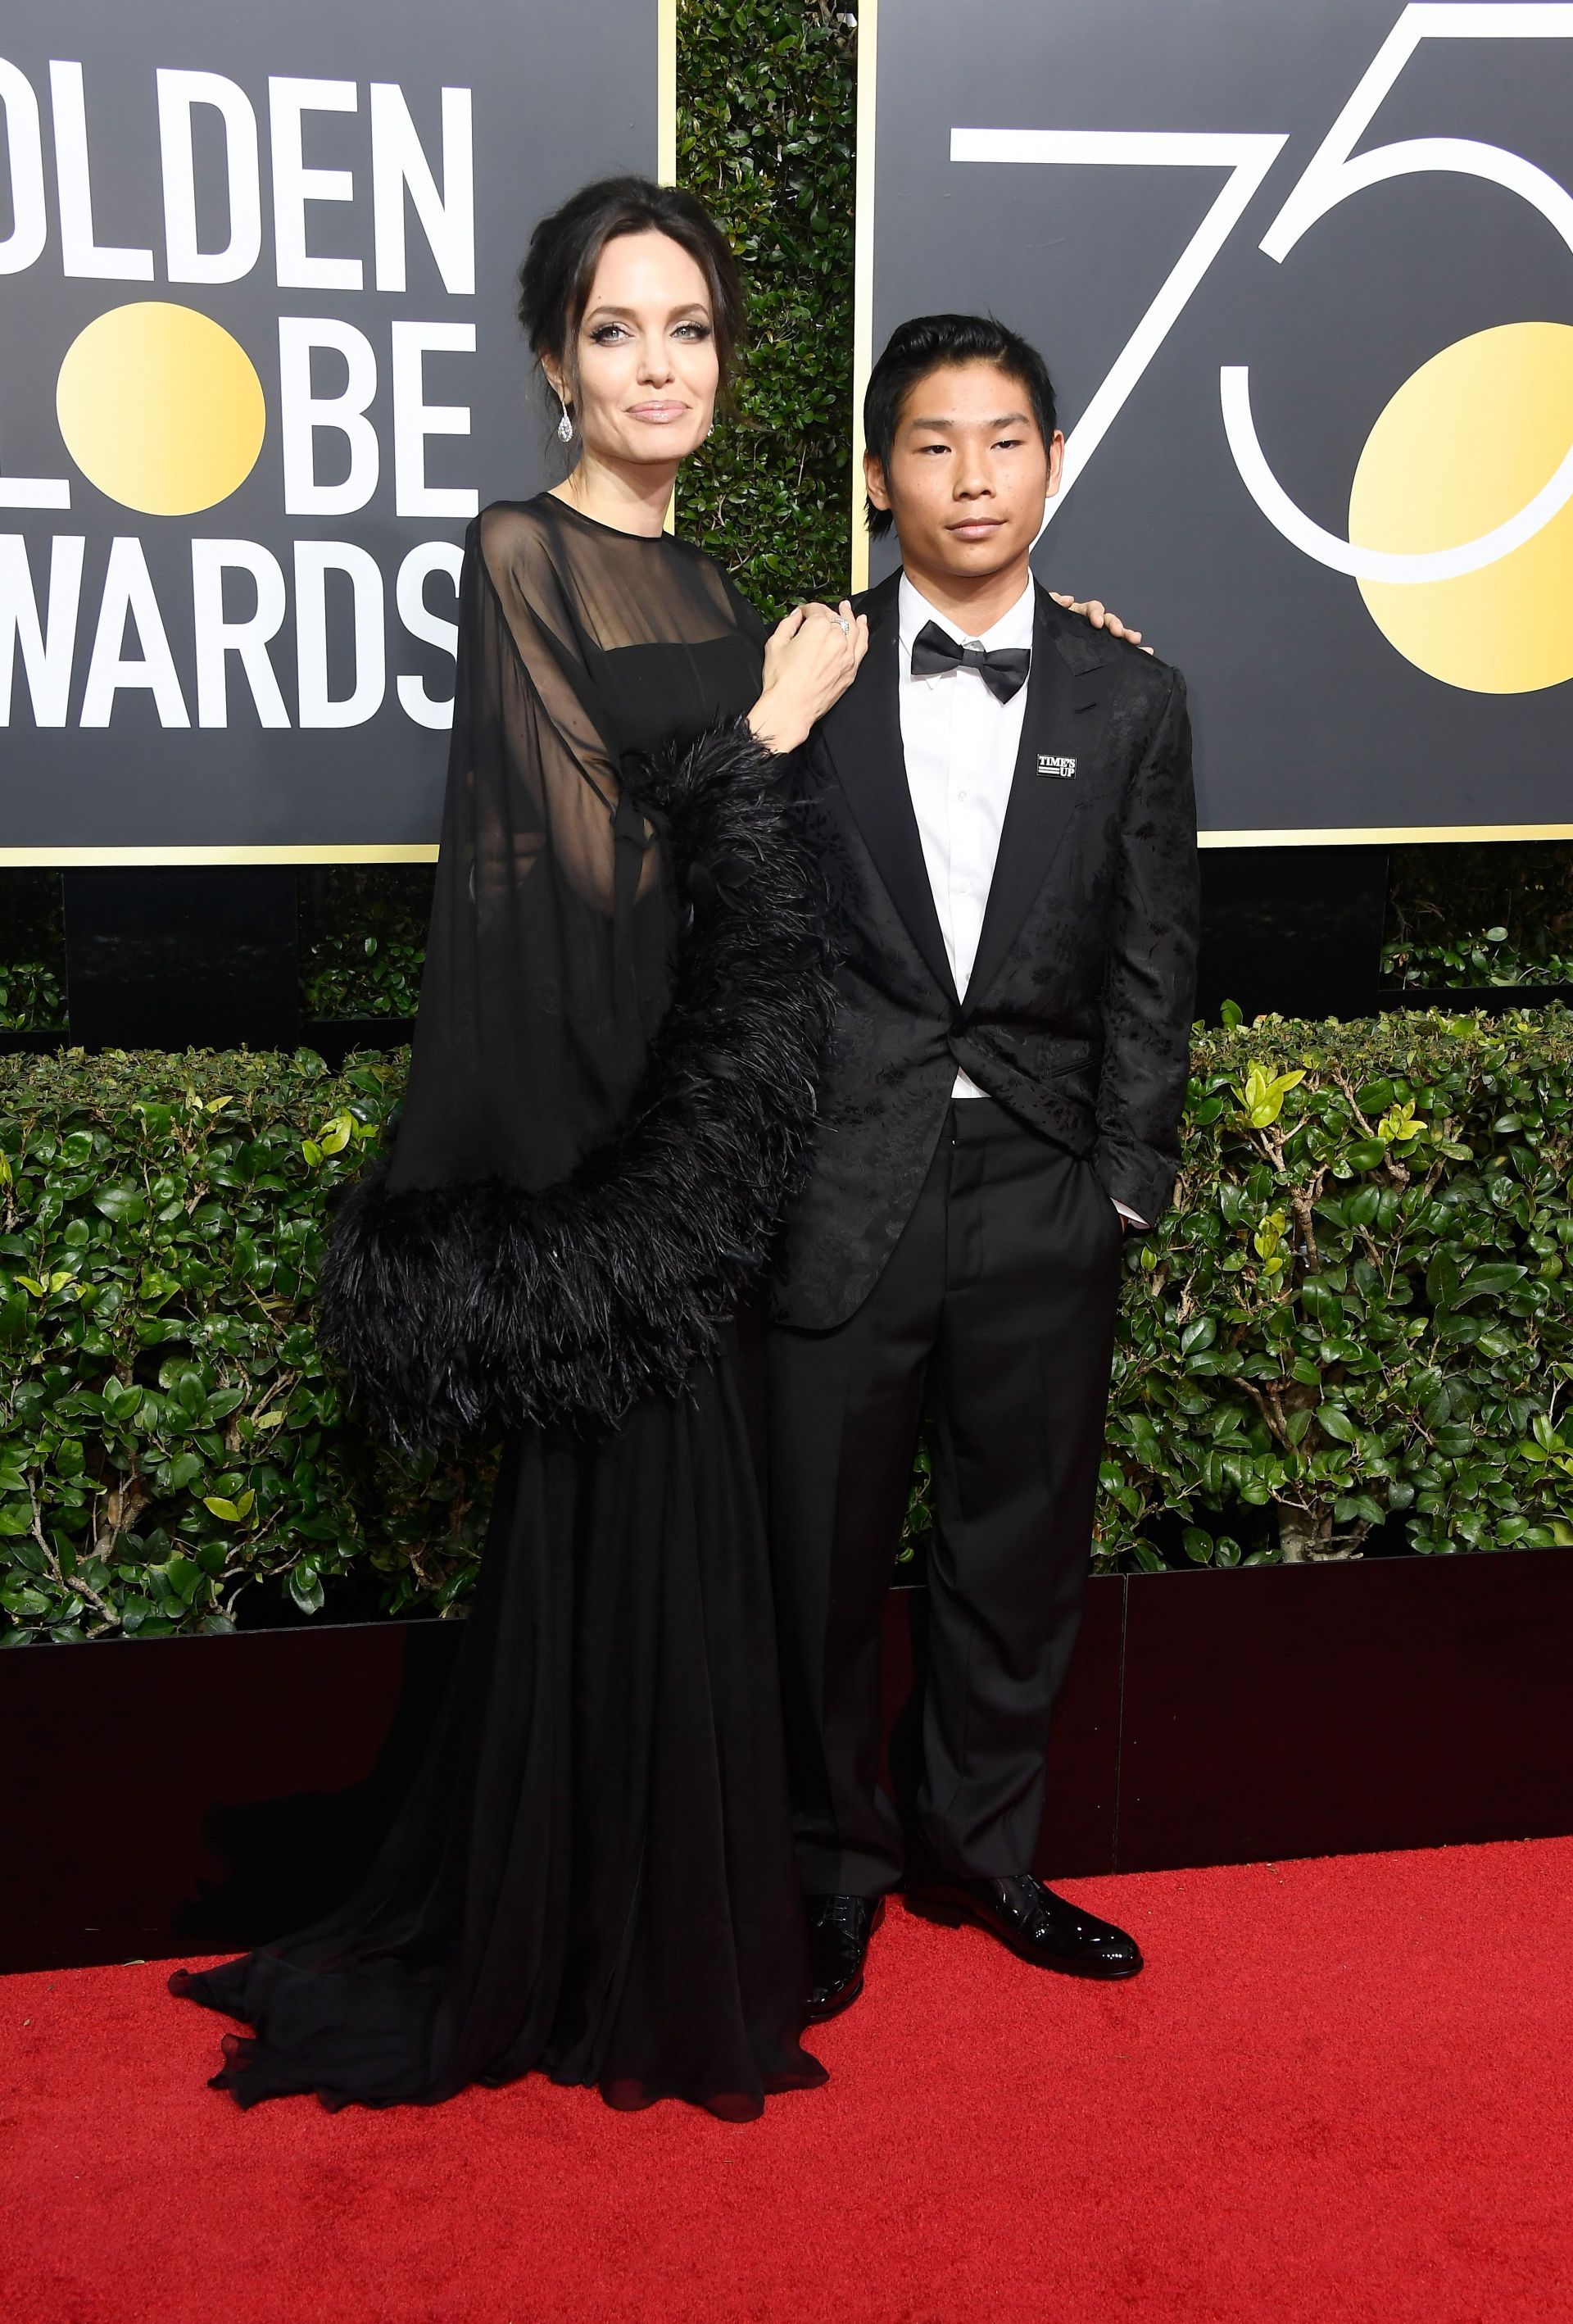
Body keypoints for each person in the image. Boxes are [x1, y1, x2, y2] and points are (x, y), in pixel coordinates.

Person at [170, 176, 871, 2122]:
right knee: (617, 1522)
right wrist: (774, 736)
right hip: (607, 1141)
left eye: (693, 330)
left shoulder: (723, 590)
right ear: (555, 359)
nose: (661, 365)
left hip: (717, 1138)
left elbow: (759, 875)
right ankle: (589, 1948)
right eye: (620, 330)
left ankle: (672, 1922)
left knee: (704, 1524)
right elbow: (580, 865)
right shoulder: (524, 552)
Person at [765, 314, 1199, 2018]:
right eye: (933, 444)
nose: (971, 475)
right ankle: (827, 1868)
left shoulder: (1134, 689)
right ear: (880, 477)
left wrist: (1128, 1179)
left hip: (1042, 1181)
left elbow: (1157, 953)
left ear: (1055, 462)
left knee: (1017, 1543)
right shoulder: (799, 659)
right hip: (837, 1182)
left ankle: (988, 1845)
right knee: (817, 1553)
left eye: (1004, 439)